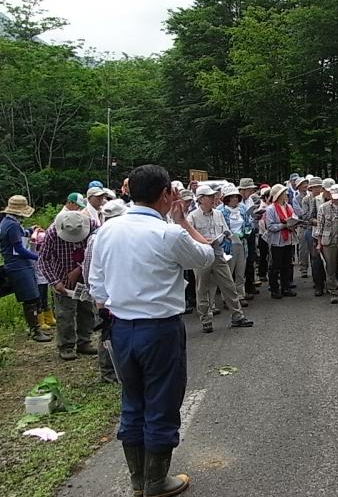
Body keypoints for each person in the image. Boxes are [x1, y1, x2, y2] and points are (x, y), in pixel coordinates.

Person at [89, 164, 216, 497]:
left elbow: (97, 286)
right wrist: (184, 220)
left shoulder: (107, 230)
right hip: (159, 329)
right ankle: (156, 481)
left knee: (132, 401)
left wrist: (115, 305)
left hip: (120, 327)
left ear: (129, 191)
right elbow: (206, 256)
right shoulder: (168, 233)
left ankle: (137, 480)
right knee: (161, 401)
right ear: (166, 194)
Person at [186, 185, 253, 332]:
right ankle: (206, 320)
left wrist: (226, 236)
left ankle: (238, 316)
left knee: (229, 285)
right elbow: (188, 238)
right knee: (202, 289)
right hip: (201, 257)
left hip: (218, 254)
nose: (213, 199)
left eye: (213, 196)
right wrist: (203, 240)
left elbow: (225, 230)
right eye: (209, 197)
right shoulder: (192, 217)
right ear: (201, 199)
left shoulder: (218, 214)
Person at [38, 210, 97, 360]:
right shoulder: (52, 233)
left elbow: (98, 252)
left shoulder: (94, 227)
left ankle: (84, 342)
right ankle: (66, 346)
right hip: (62, 278)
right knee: (65, 314)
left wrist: (79, 269)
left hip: (86, 277)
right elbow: (43, 260)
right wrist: (55, 282)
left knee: (87, 310)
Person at [84, 198, 128, 383]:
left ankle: (120, 367)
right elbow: (89, 270)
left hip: (119, 288)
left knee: (120, 329)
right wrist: (96, 297)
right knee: (106, 331)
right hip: (103, 293)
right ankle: (108, 371)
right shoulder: (97, 238)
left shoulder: (120, 234)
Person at [0, 196, 51, 342]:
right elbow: (19, 249)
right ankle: (35, 331)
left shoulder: (8, 222)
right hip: (19, 266)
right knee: (31, 299)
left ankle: (36, 329)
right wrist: (39, 257)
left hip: (18, 265)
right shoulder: (12, 225)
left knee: (33, 298)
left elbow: (19, 237)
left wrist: (29, 230)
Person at [218, 185, 252, 304]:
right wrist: (230, 235)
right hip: (228, 244)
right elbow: (220, 228)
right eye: (232, 197)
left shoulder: (242, 209)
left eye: (236, 197)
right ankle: (227, 298)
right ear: (226, 199)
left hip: (242, 243)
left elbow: (248, 224)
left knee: (240, 271)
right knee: (228, 272)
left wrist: (246, 232)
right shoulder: (220, 211)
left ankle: (240, 295)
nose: (235, 199)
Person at [264, 184, 299, 299]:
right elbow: (270, 226)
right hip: (277, 241)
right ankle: (274, 289)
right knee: (275, 265)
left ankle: (285, 287)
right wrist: (284, 225)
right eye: (283, 193)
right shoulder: (270, 209)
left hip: (289, 239)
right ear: (278, 195)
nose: (286, 195)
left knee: (287, 264)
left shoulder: (288, 206)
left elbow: (294, 217)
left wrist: (294, 223)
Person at [237, 178, 260, 297]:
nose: (251, 192)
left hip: (250, 231)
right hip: (240, 234)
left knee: (251, 258)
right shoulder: (237, 201)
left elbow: (251, 214)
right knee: (241, 262)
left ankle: (250, 285)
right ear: (243, 190)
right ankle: (242, 289)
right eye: (250, 190)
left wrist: (256, 215)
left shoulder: (249, 200)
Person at [291, 176, 311, 279]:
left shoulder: (311, 196)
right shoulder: (296, 199)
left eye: (306, 183)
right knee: (303, 249)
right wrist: (309, 214)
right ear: (298, 187)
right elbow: (299, 213)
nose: (305, 185)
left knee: (314, 249)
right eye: (303, 184)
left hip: (311, 225)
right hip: (302, 226)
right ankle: (303, 269)